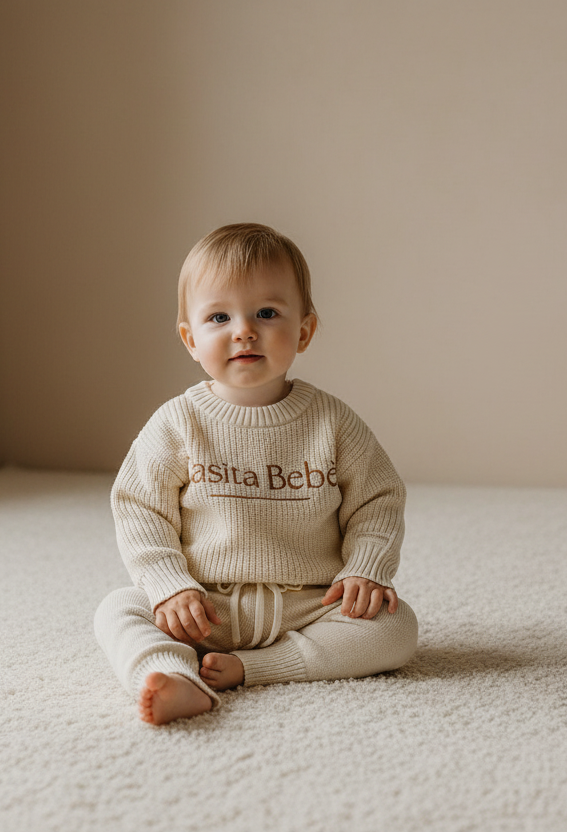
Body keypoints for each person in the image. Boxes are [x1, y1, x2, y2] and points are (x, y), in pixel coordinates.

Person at [94, 222, 418, 725]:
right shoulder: (178, 422)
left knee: (395, 629)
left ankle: (257, 668)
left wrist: (365, 568)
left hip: (308, 605)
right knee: (119, 608)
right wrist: (169, 585)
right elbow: (140, 507)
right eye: (219, 316)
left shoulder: (332, 422)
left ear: (304, 331)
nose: (243, 330)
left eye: (267, 313)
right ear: (191, 339)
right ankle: (173, 677)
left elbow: (378, 499)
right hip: (205, 608)